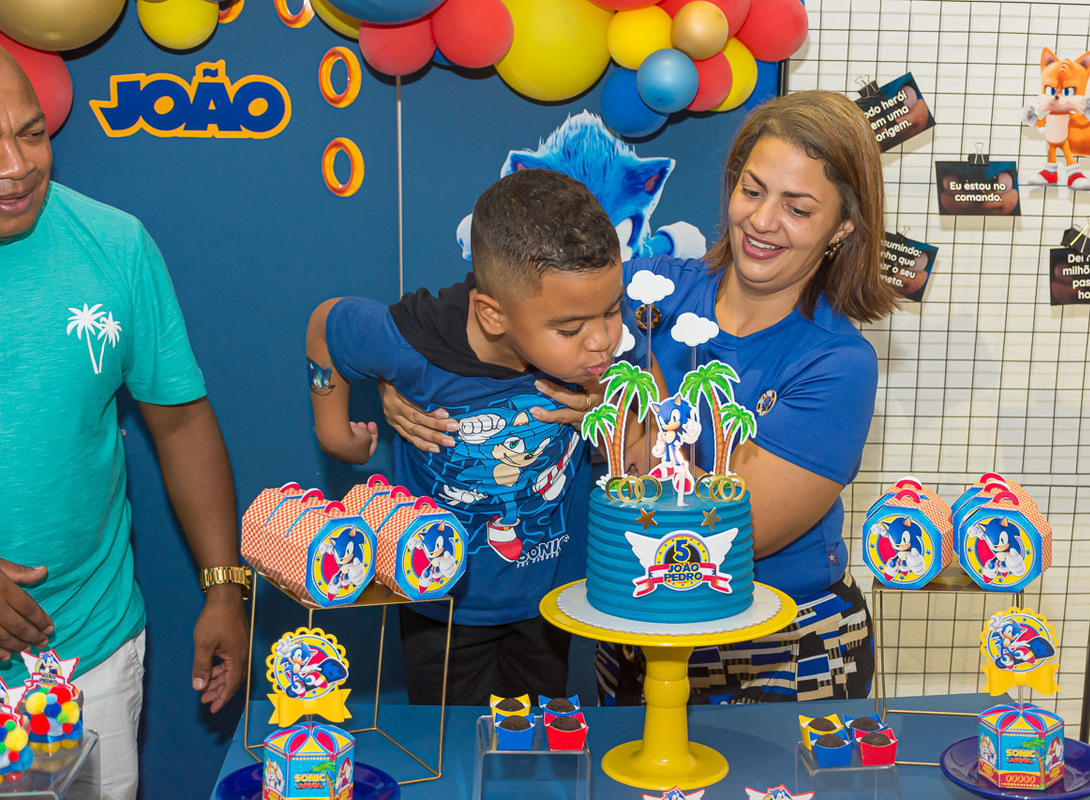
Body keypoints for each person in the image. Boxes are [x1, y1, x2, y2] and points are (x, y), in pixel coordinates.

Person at [383, 90, 895, 704]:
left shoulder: (835, 362)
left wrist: (624, 427)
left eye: (798, 208)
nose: (762, 221)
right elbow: (509, 303)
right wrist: (405, 373)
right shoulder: (649, 291)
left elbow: (729, 535)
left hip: (781, 646)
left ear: (842, 226)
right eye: (752, 190)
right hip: (634, 624)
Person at [0, 47, 249, 798]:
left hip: (76, 661)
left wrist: (224, 587)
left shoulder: (114, 245)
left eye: (31, 134)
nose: (15, 165)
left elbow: (179, 424)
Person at [306, 168, 641, 706]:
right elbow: (327, 326)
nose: (603, 339)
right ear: (492, 315)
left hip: (550, 599)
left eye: (612, 309)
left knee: (535, 747)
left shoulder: (603, 359)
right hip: (442, 603)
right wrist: (335, 436)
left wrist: (610, 416)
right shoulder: (414, 339)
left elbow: (649, 439)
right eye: (571, 328)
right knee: (455, 753)